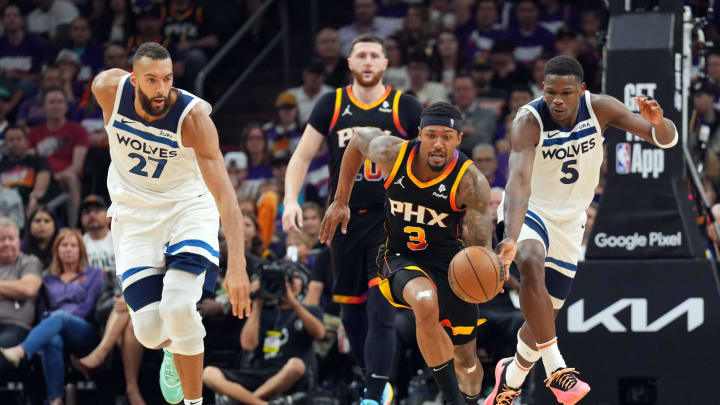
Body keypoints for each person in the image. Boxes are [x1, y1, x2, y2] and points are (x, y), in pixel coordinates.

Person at [485, 55, 679, 405]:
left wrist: (659, 123)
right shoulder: (529, 120)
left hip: (570, 222)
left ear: (582, 90)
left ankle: (509, 380)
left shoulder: (600, 107)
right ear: (542, 89)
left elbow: (663, 140)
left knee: (543, 318)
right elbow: (517, 183)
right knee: (529, 263)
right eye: (550, 92)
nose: (557, 99)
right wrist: (511, 238)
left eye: (566, 92)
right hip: (532, 211)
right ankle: (557, 370)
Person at [319, 102, 511, 404]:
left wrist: (490, 271)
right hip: (398, 256)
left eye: (447, 136)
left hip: (451, 267)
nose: (438, 143)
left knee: (467, 362)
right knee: (424, 300)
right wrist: (341, 200)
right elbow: (356, 141)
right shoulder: (392, 153)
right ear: (419, 134)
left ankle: (471, 399)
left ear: (458, 140)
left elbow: (479, 250)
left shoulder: (470, 182)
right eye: (431, 135)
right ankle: (453, 401)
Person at [91, 42, 251, 405]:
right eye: (151, 80)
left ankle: (194, 403)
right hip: (133, 214)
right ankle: (172, 349)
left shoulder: (192, 120)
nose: (161, 89)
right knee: (148, 331)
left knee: (179, 308)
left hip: (187, 209)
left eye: (168, 79)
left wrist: (237, 265)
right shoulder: (106, 90)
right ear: (133, 80)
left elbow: (226, 195)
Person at [283, 34, 423, 405]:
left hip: (390, 218)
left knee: (381, 305)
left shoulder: (404, 106)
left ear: (385, 63)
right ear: (349, 62)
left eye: (374, 55)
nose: (367, 61)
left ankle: (376, 393)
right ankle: (371, 381)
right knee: (351, 313)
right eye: (360, 55)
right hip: (342, 218)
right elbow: (300, 157)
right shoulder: (331, 103)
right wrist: (289, 201)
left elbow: (429, 157)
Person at [0, 229, 103, 405]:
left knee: (60, 317)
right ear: (57, 250)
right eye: (64, 245)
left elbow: (88, 308)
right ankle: (55, 399)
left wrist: (58, 318)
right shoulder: (48, 278)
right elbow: (41, 311)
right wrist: (52, 319)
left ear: (81, 250)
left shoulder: (94, 274)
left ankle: (21, 351)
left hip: (83, 331)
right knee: (52, 339)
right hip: (53, 328)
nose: (68, 249)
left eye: (73, 245)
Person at [203, 266, 325, 405]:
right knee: (209, 374)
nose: (288, 284)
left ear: (303, 284)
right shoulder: (264, 310)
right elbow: (247, 345)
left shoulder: (310, 310)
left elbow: (320, 334)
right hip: (259, 370)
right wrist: (257, 303)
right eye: (284, 280)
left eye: (295, 278)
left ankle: (246, 400)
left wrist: (293, 302)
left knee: (296, 365)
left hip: (288, 374)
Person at [0, 217, 43, 372]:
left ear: (18, 241)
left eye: (10, 239)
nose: (6, 243)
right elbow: (20, 290)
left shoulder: (29, 262)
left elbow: (27, 289)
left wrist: (19, 290)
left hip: (17, 326)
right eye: (1, 239)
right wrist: (13, 291)